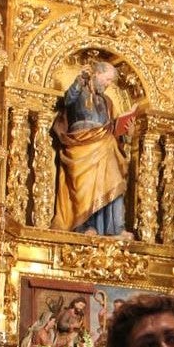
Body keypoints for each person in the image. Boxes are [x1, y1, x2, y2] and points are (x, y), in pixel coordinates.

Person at [51, 61, 136, 237]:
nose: (108, 84)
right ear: (96, 74)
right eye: (107, 79)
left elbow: (112, 129)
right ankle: (85, 225)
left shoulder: (107, 101)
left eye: (110, 81)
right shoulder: (79, 91)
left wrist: (127, 132)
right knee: (86, 185)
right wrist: (79, 80)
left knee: (114, 182)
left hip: (107, 145)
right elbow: (68, 100)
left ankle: (117, 227)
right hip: (82, 144)